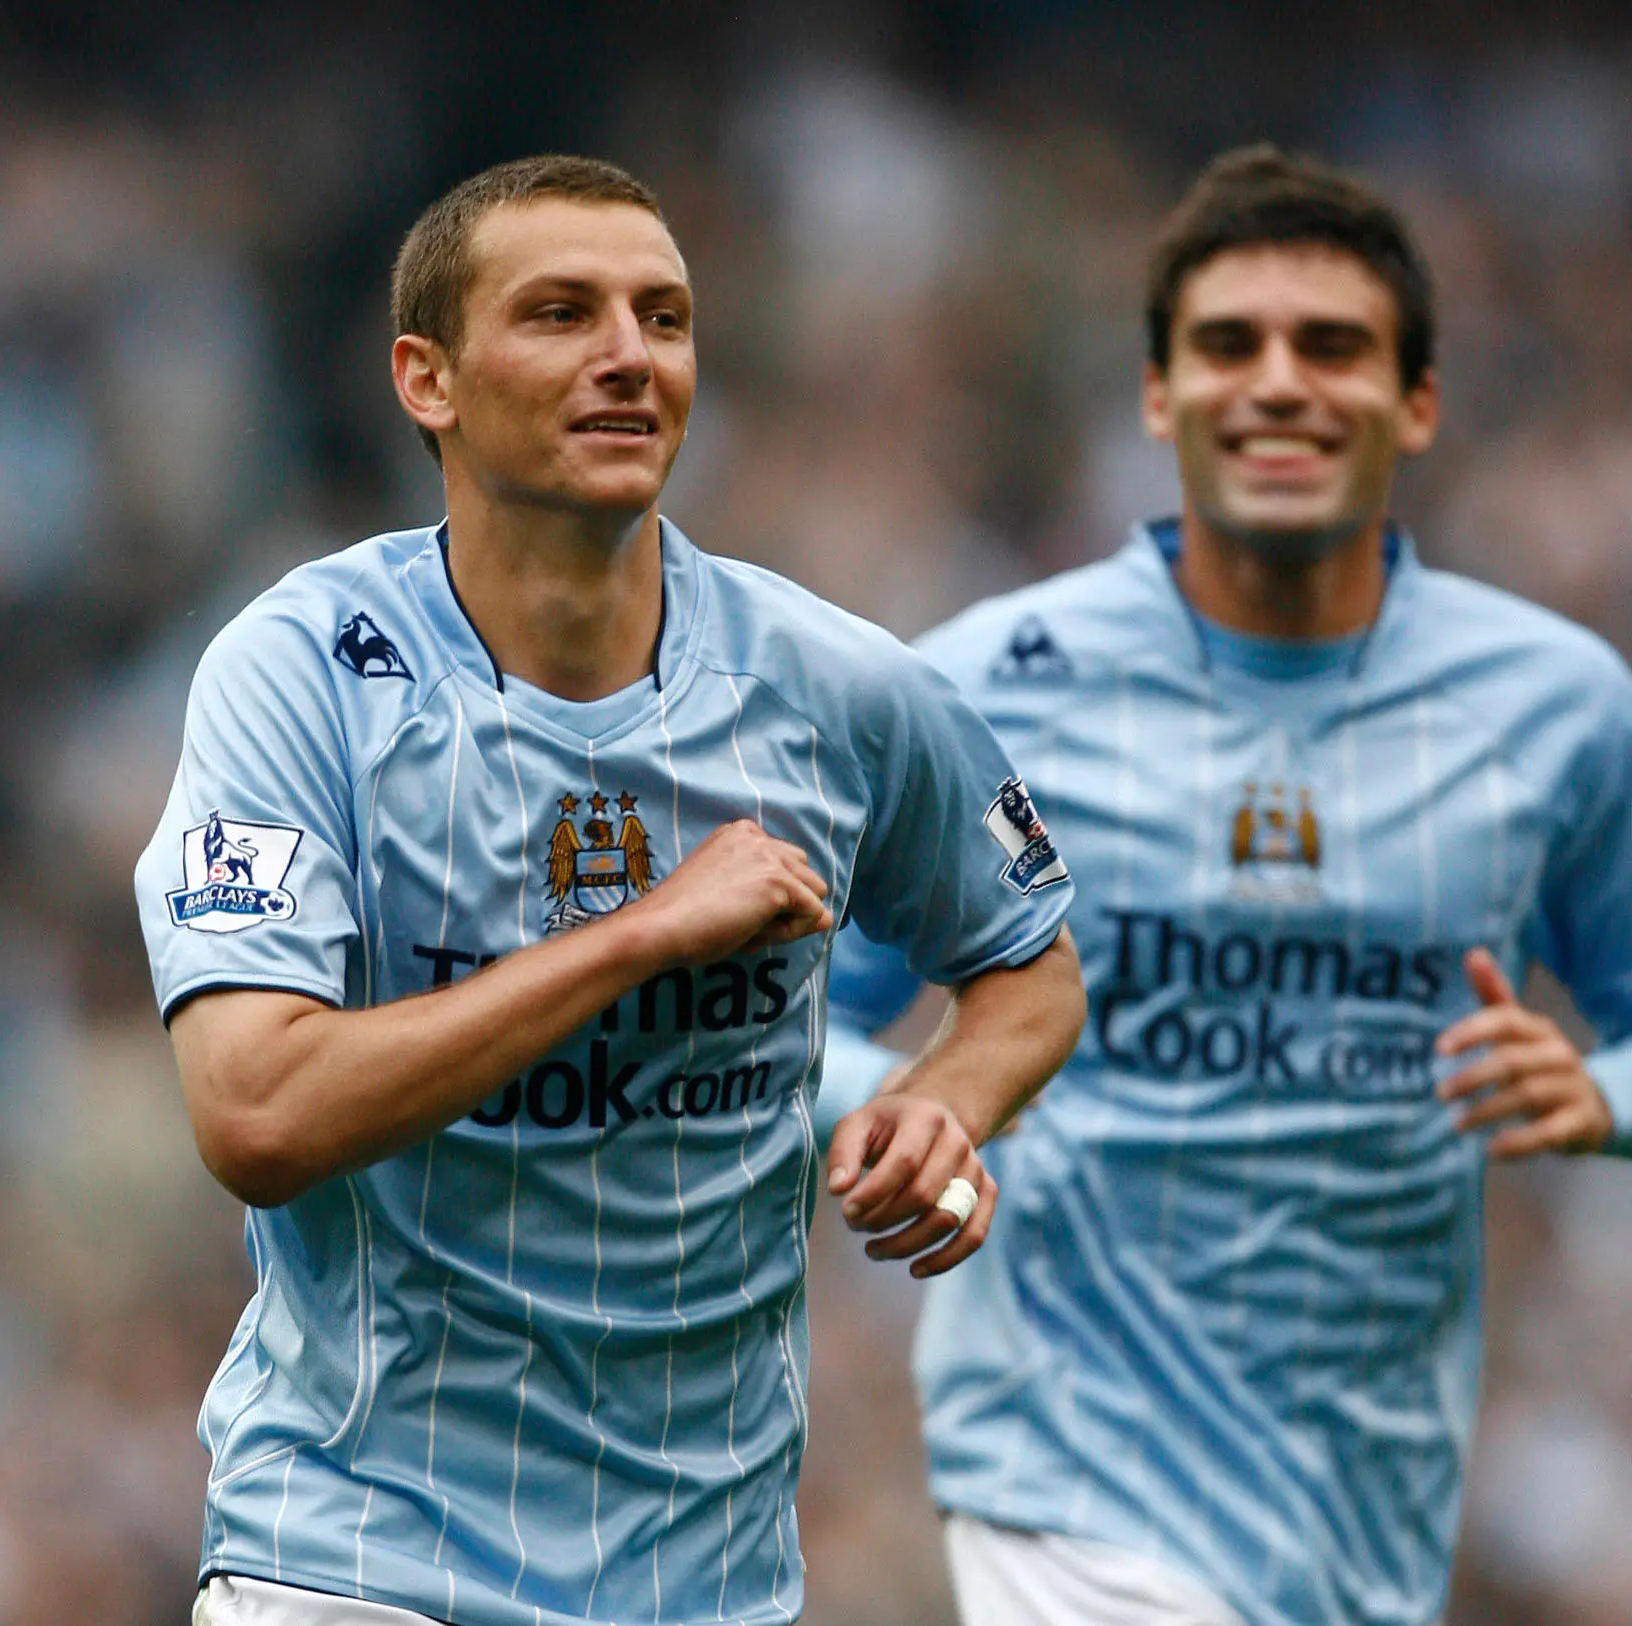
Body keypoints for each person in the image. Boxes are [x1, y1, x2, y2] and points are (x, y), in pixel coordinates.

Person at [135, 154, 1086, 1626]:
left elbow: (1029, 966)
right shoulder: (302, 674)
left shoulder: (834, 686)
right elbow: (255, 1113)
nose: (630, 355)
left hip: (707, 1583)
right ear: (427, 381)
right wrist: (639, 936)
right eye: (561, 313)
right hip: (357, 1557)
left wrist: (944, 1101)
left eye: (664, 317)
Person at [822, 145, 1632, 1626]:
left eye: (1331, 346)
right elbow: (796, 1015)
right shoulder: (990, 683)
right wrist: (914, 1107)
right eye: (1227, 344)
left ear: (1418, 401)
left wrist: (1600, 1095)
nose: (1276, 383)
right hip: (1065, 1474)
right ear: (1157, 394)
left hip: (1367, 1516)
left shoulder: (1558, 707)